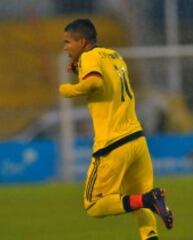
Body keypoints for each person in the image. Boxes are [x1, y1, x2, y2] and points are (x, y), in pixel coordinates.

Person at [59, 19, 173, 240]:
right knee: (138, 203)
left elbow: (94, 84)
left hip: (113, 144)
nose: (65, 47)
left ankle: (150, 199)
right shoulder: (114, 56)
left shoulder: (90, 57)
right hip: (137, 140)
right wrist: (78, 68)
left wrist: (69, 89)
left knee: (93, 205)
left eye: (68, 42)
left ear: (82, 42)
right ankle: (150, 212)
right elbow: (107, 83)